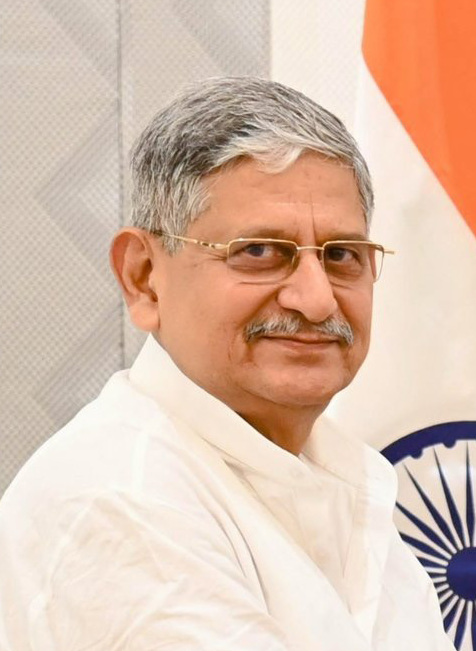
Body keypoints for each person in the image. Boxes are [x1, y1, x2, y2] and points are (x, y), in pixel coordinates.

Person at [0, 77, 454, 651]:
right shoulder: (121, 499)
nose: (317, 300)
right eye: (259, 252)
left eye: (341, 255)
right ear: (144, 278)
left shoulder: (345, 479)